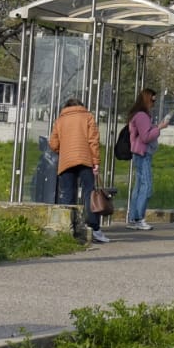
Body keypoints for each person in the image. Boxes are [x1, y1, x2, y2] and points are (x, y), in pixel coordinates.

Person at [49, 97, 107, 243]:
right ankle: (94, 229)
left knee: (67, 193)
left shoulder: (60, 120)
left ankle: (67, 229)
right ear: (81, 106)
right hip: (85, 160)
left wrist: (63, 151)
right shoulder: (88, 117)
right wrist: (96, 162)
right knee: (89, 194)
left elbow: (53, 143)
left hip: (66, 161)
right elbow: (93, 141)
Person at [125, 87, 162, 231]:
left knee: (139, 186)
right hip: (143, 153)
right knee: (147, 186)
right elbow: (146, 137)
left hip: (138, 153)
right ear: (147, 99)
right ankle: (139, 218)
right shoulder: (141, 116)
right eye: (153, 100)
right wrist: (159, 127)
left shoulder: (138, 115)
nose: (154, 103)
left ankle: (133, 218)